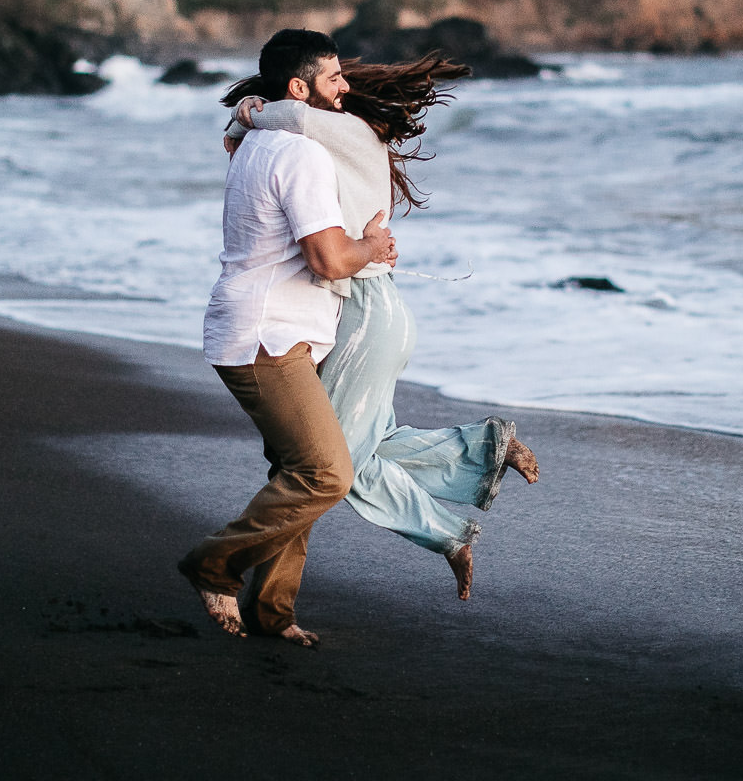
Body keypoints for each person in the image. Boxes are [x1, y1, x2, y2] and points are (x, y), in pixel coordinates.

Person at [222, 50, 539, 602]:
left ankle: (448, 531)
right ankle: (486, 450)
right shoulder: (339, 142)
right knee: (351, 449)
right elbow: (292, 123)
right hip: (373, 310)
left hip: (365, 314)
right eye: (335, 79)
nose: (340, 88)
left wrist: (246, 115)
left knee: (331, 464)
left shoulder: (343, 132)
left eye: (345, 79)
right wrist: (245, 119)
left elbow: (293, 117)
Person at [178, 29, 397, 647]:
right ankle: (212, 564)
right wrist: (373, 247)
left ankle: (273, 613)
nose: (346, 87)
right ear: (300, 89)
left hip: (265, 329)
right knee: (326, 473)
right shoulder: (301, 154)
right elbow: (328, 260)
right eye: (334, 78)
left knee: (294, 469)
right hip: (266, 336)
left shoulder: (256, 142)